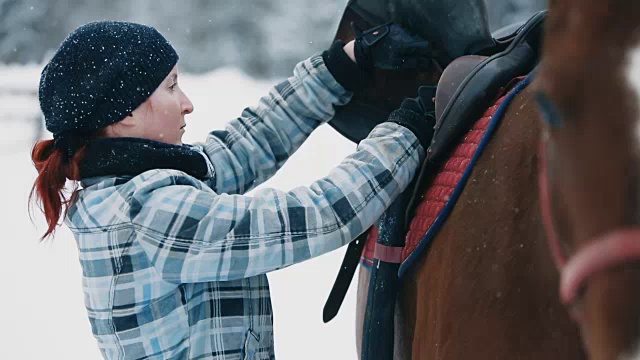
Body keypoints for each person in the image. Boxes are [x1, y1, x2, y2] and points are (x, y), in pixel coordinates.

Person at [30, 20, 434, 359]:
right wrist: (402, 137)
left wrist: (343, 66)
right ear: (127, 114)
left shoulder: (128, 188)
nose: (187, 103)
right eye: (171, 87)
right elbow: (317, 217)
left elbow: (247, 144)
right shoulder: (152, 211)